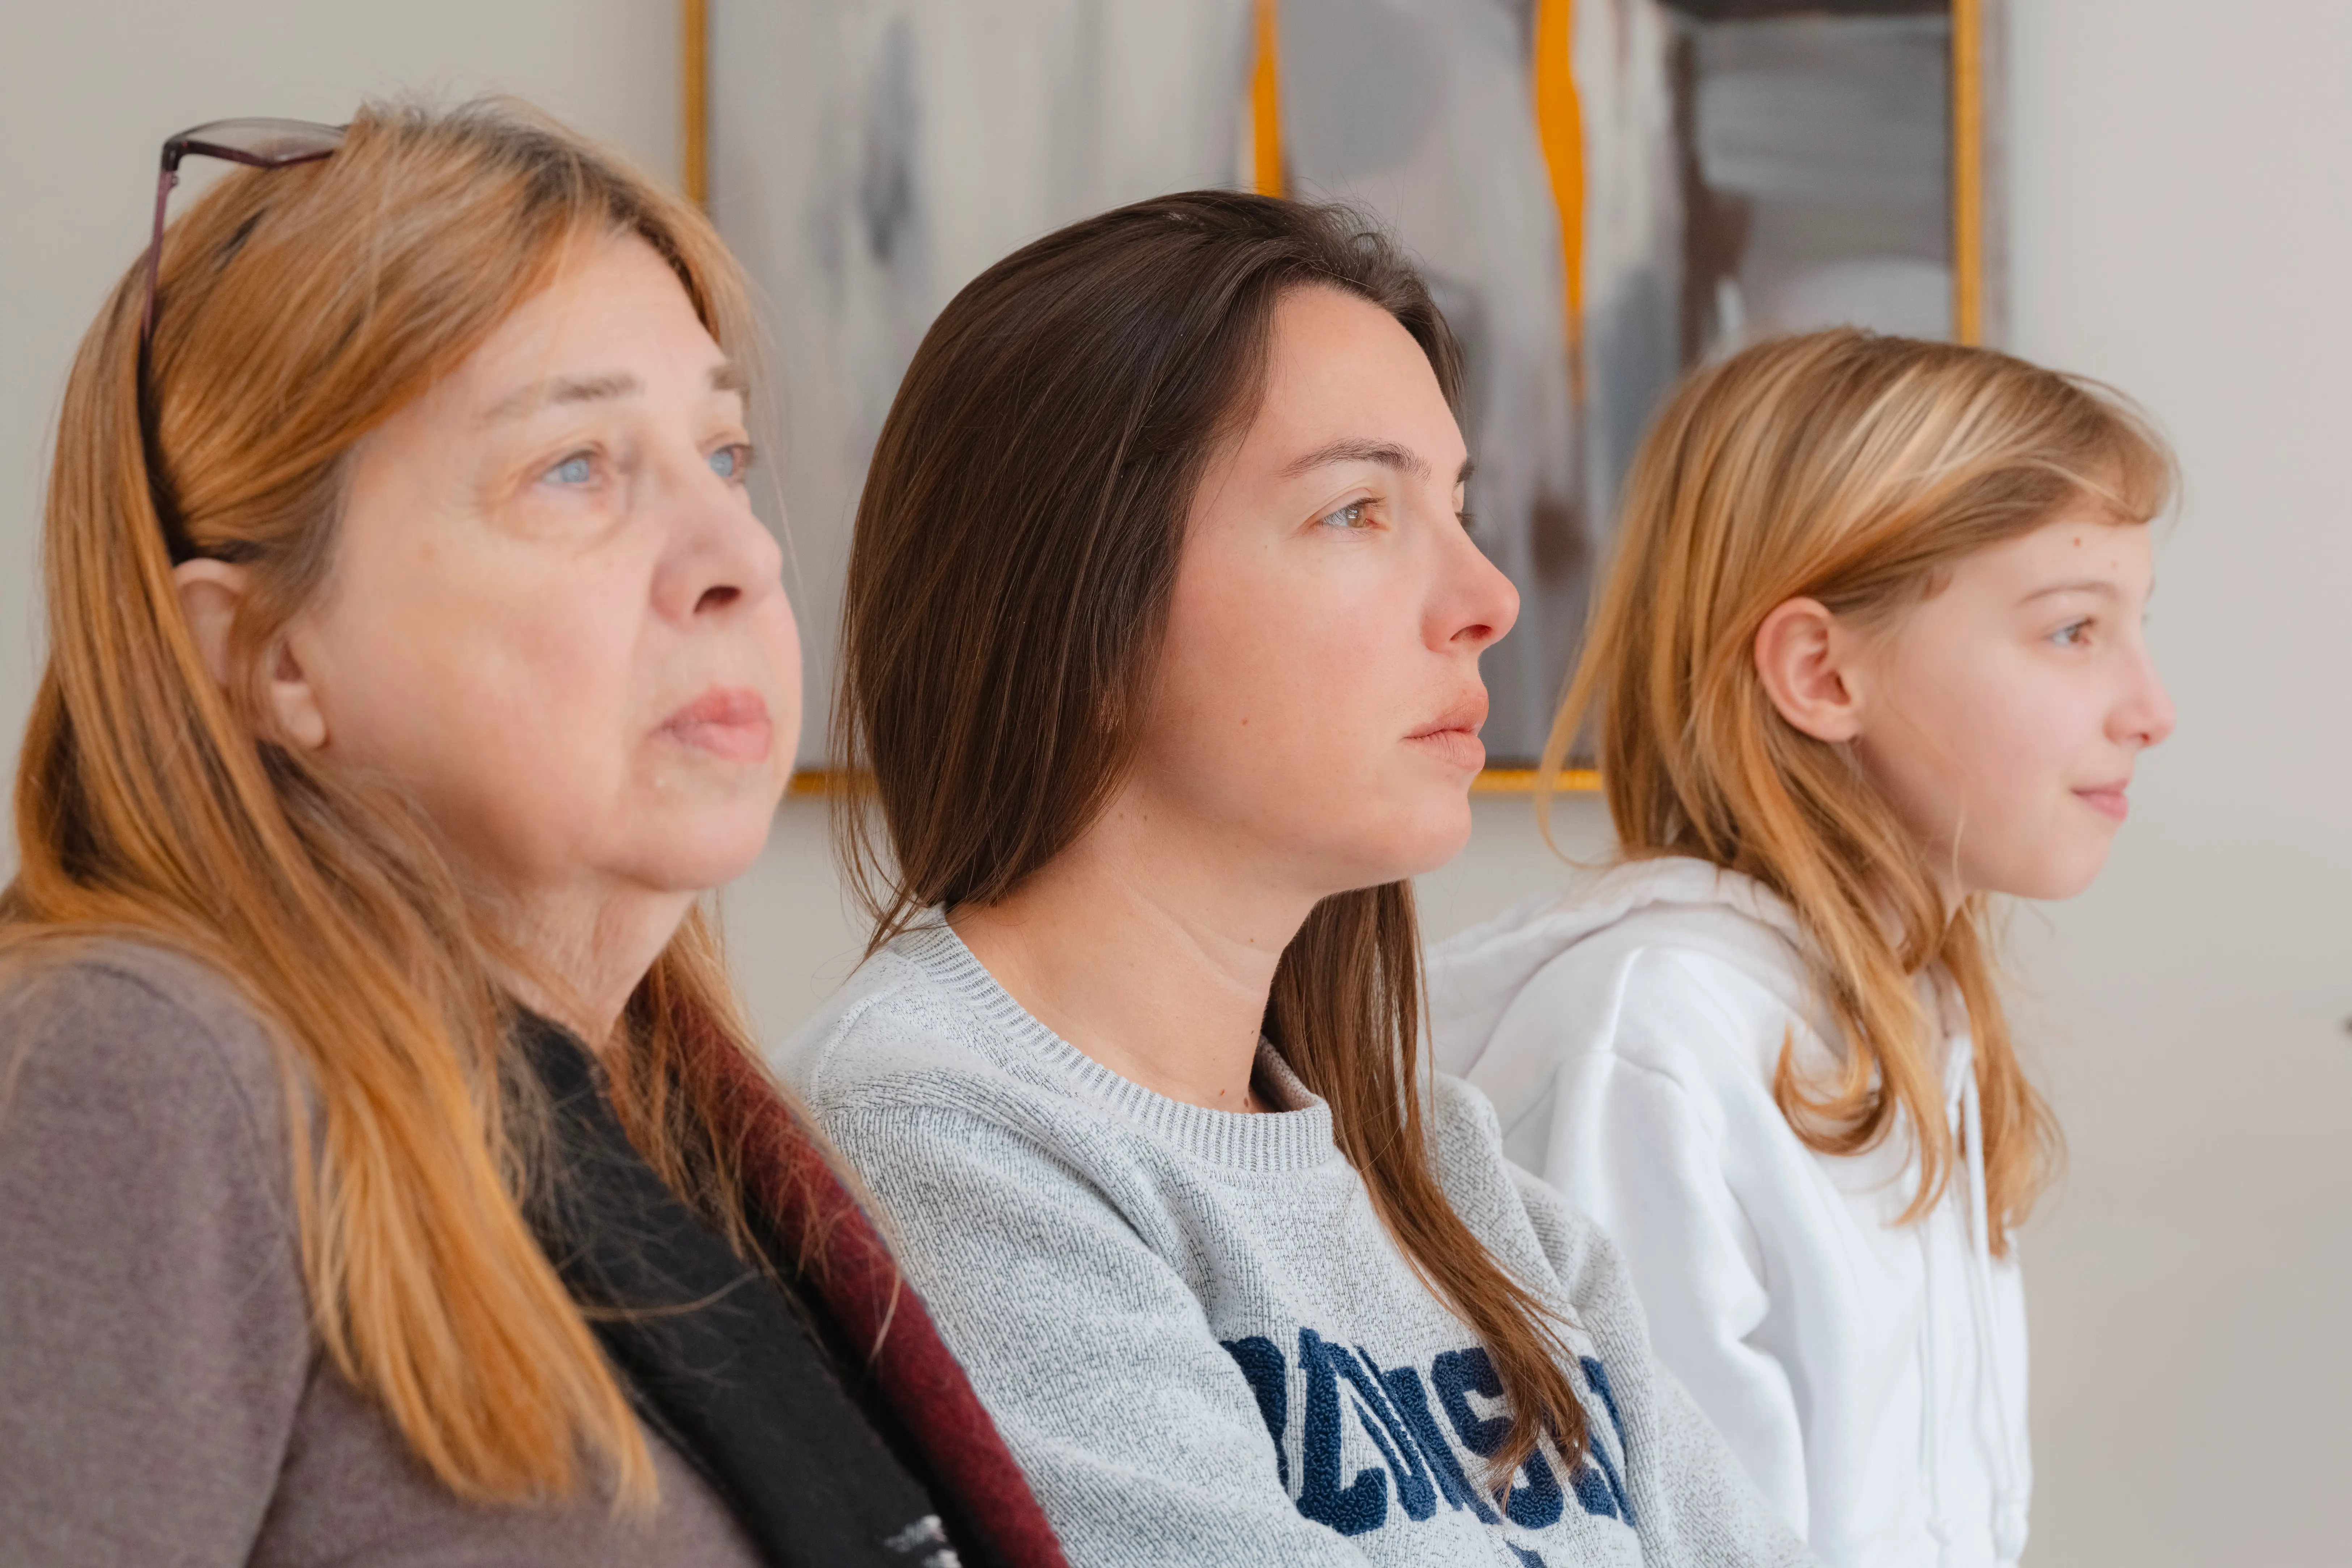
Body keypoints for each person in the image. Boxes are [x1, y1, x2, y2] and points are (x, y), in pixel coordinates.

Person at [0, 100, 1065, 1568]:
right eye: (575, 467)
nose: (741, 556)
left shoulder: (681, 1142)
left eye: (723, 454)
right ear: (264, 655)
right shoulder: (145, 1063)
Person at [778, 191, 1811, 1568]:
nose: (1489, 596)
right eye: (1355, 511)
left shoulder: (1440, 1166)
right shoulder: (930, 1133)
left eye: (1455, 506)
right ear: (1082, 599)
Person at [1426, 330, 2177, 1568]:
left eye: (2134, 626)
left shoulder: (1904, 1019)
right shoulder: (1659, 1039)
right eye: (2071, 632)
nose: (2151, 709)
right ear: (1821, 673)